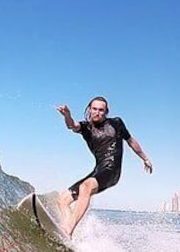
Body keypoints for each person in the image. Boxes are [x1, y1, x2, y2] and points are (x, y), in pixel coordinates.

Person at [56, 96, 152, 237]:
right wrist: (67, 115)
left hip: (112, 171)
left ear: (106, 112)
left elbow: (131, 141)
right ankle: (69, 231)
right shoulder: (86, 128)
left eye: (101, 110)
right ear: (89, 109)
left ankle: (68, 230)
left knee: (86, 186)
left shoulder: (116, 123)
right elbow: (72, 125)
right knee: (62, 199)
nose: (97, 112)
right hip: (98, 170)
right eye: (94, 109)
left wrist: (145, 158)